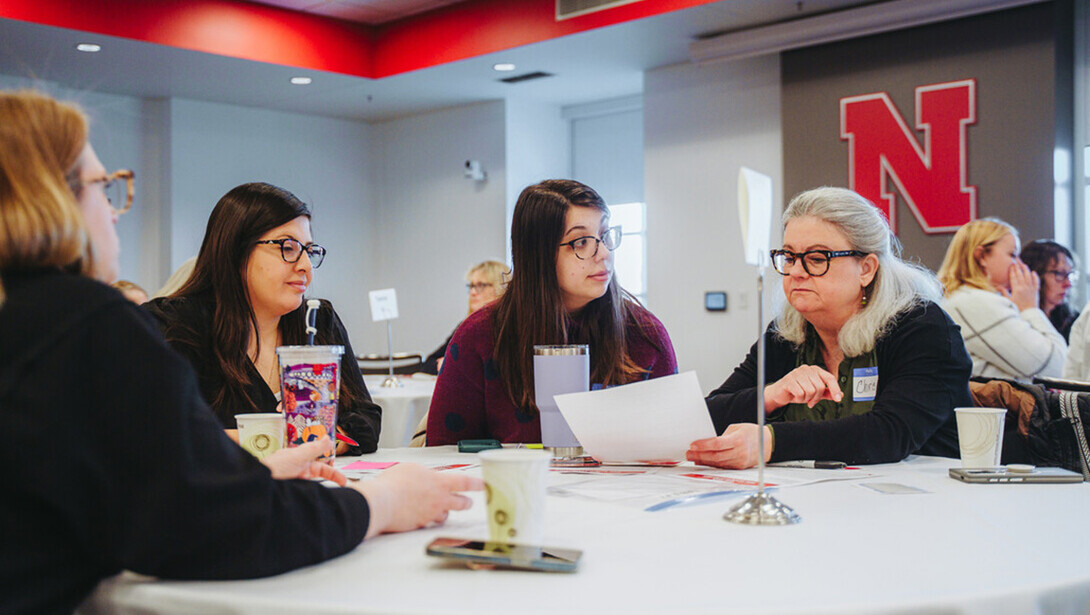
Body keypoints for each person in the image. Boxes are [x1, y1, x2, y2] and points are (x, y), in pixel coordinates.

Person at [0, 90, 480, 615]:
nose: (115, 214)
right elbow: (203, 526)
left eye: (308, 250)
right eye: (104, 189)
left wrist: (231, 470)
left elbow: (119, 490)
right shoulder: (92, 323)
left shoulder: (31, 321)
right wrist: (383, 502)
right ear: (48, 200)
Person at [688, 187, 967, 469]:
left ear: (866, 269)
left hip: (932, 499)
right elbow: (705, 417)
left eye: (817, 259)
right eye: (788, 257)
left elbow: (889, 434)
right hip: (817, 499)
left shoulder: (922, 327)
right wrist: (770, 395)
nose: (796, 271)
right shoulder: (786, 333)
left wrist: (770, 441)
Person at [426, 179, 677, 445]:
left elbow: (674, 443)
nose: (603, 253)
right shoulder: (481, 335)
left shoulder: (643, 333)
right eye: (581, 242)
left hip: (629, 486)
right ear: (538, 255)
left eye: (604, 236)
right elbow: (443, 451)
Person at [145, 183, 382, 455]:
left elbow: (366, 418)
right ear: (235, 251)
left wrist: (325, 439)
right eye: (288, 248)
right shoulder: (176, 325)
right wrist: (279, 440)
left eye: (309, 251)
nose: (305, 266)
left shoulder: (316, 320)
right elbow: (160, 433)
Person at [938, 218, 1066, 382]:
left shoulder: (964, 298)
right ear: (982, 256)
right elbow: (1057, 368)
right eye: (1012, 255)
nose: (1020, 265)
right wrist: (1029, 309)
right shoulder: (975, 302)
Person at [419, 259, 510, 375]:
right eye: (471, 286)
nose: (473, 292)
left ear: (499, 287)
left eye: (480, 285)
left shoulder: (506, 329)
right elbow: (428, 364)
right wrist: (446, 364)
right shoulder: (466, 327)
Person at [1019, 239, 1079, 341]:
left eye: (1069, 275)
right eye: (1059, 274)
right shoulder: (1016, 319)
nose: (1068, 284)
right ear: (1036, 274)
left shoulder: (1073, 320)